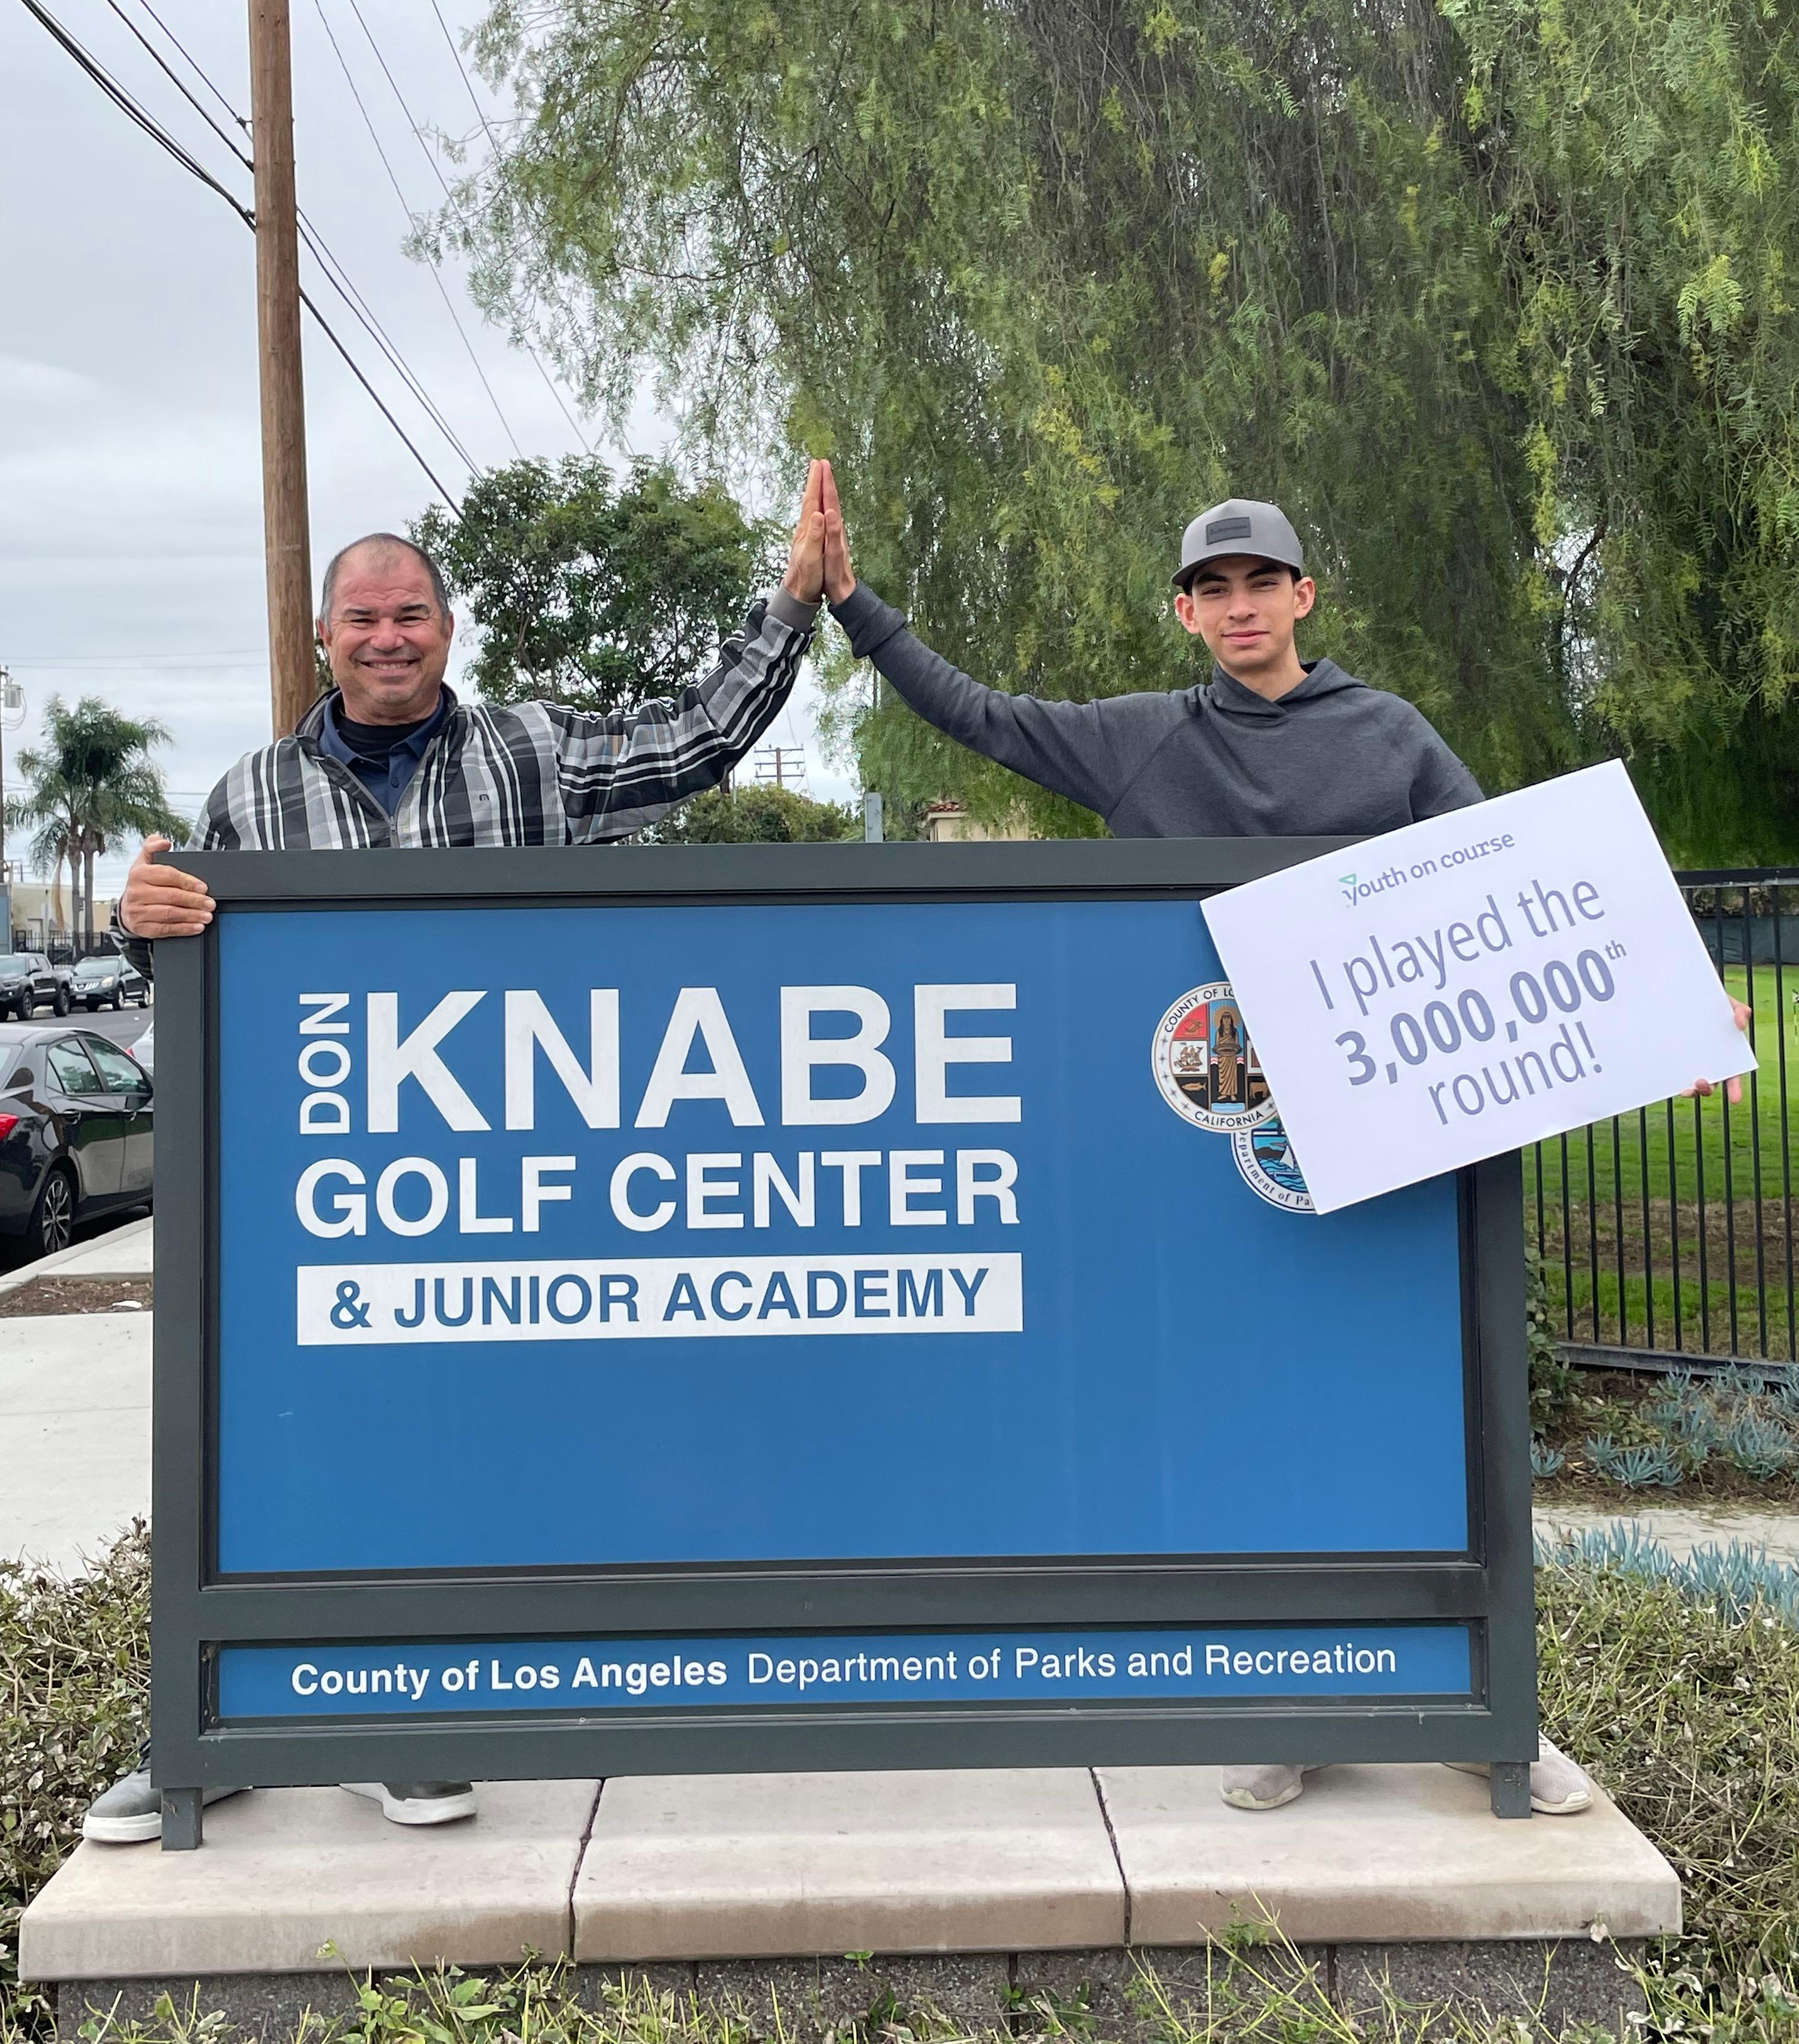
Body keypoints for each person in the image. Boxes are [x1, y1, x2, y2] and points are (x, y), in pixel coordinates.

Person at [818, 468, 1750, 1816]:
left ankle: (1495, 1723)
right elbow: (974, 714)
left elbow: (1519, 895)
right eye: (1214, 589)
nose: (1240, 606)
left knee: (1435, 1424)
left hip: (1404, 1143)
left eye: (1263, 582)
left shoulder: (1390, 735)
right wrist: (851, 601)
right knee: (1259, 1423)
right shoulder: (1142, 739)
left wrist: (1674, 991)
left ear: (1304, 597)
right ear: (1185, 614)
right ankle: (1298, 1708)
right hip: (1226, 1152)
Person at [82, 467, 834, 1846]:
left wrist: (789, 603)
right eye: (362, 617)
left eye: (412, 613)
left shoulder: (532, 757)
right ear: (324, 637)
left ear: (448, 627)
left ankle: (410, 1725)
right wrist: (145, 916)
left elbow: (694, 744)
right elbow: (191, 972)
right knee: (260, 1462)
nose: (388, 637)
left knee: (464, 1461)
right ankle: (210, 1733)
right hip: (328, 1202)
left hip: (512, 1197)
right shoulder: (251, 796)